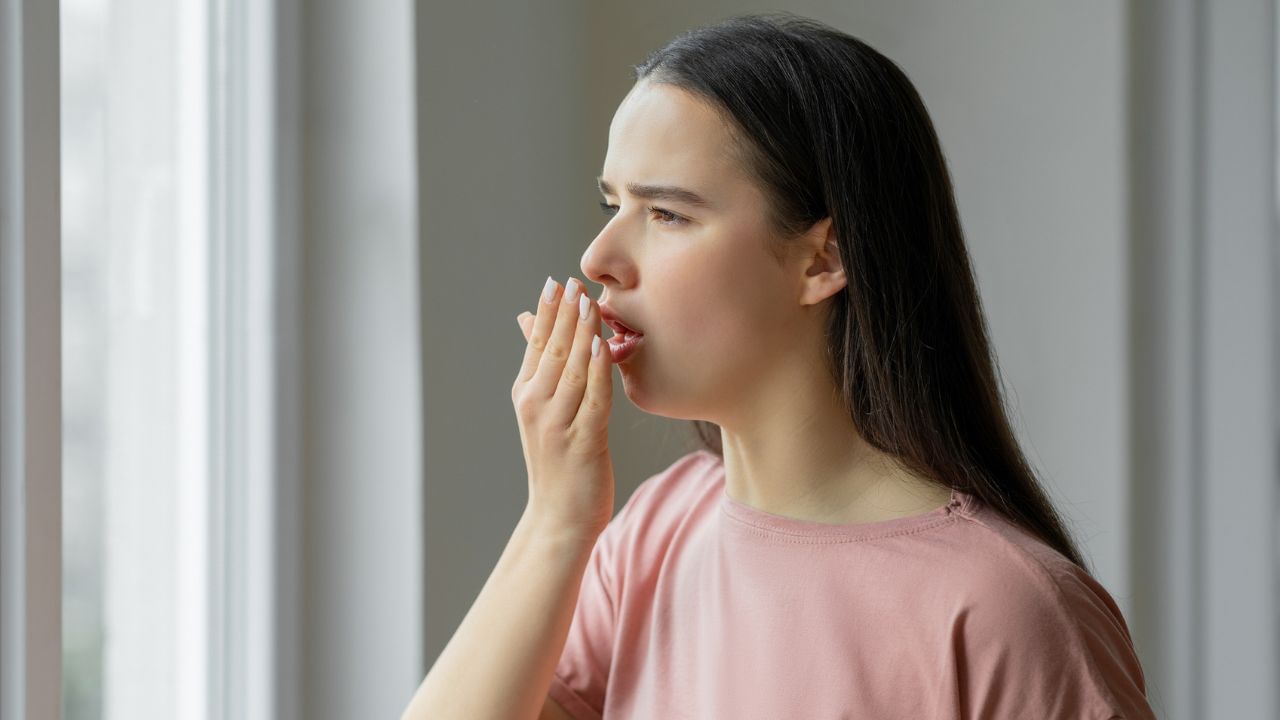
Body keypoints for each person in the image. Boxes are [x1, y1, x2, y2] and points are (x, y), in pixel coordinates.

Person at [403, 12, 1156, 720]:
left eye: (665, 214)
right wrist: (555, 521)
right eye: (612, 207)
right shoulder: (655, 533)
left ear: (823, 257)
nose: (599, 260)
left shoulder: (1007, 612)